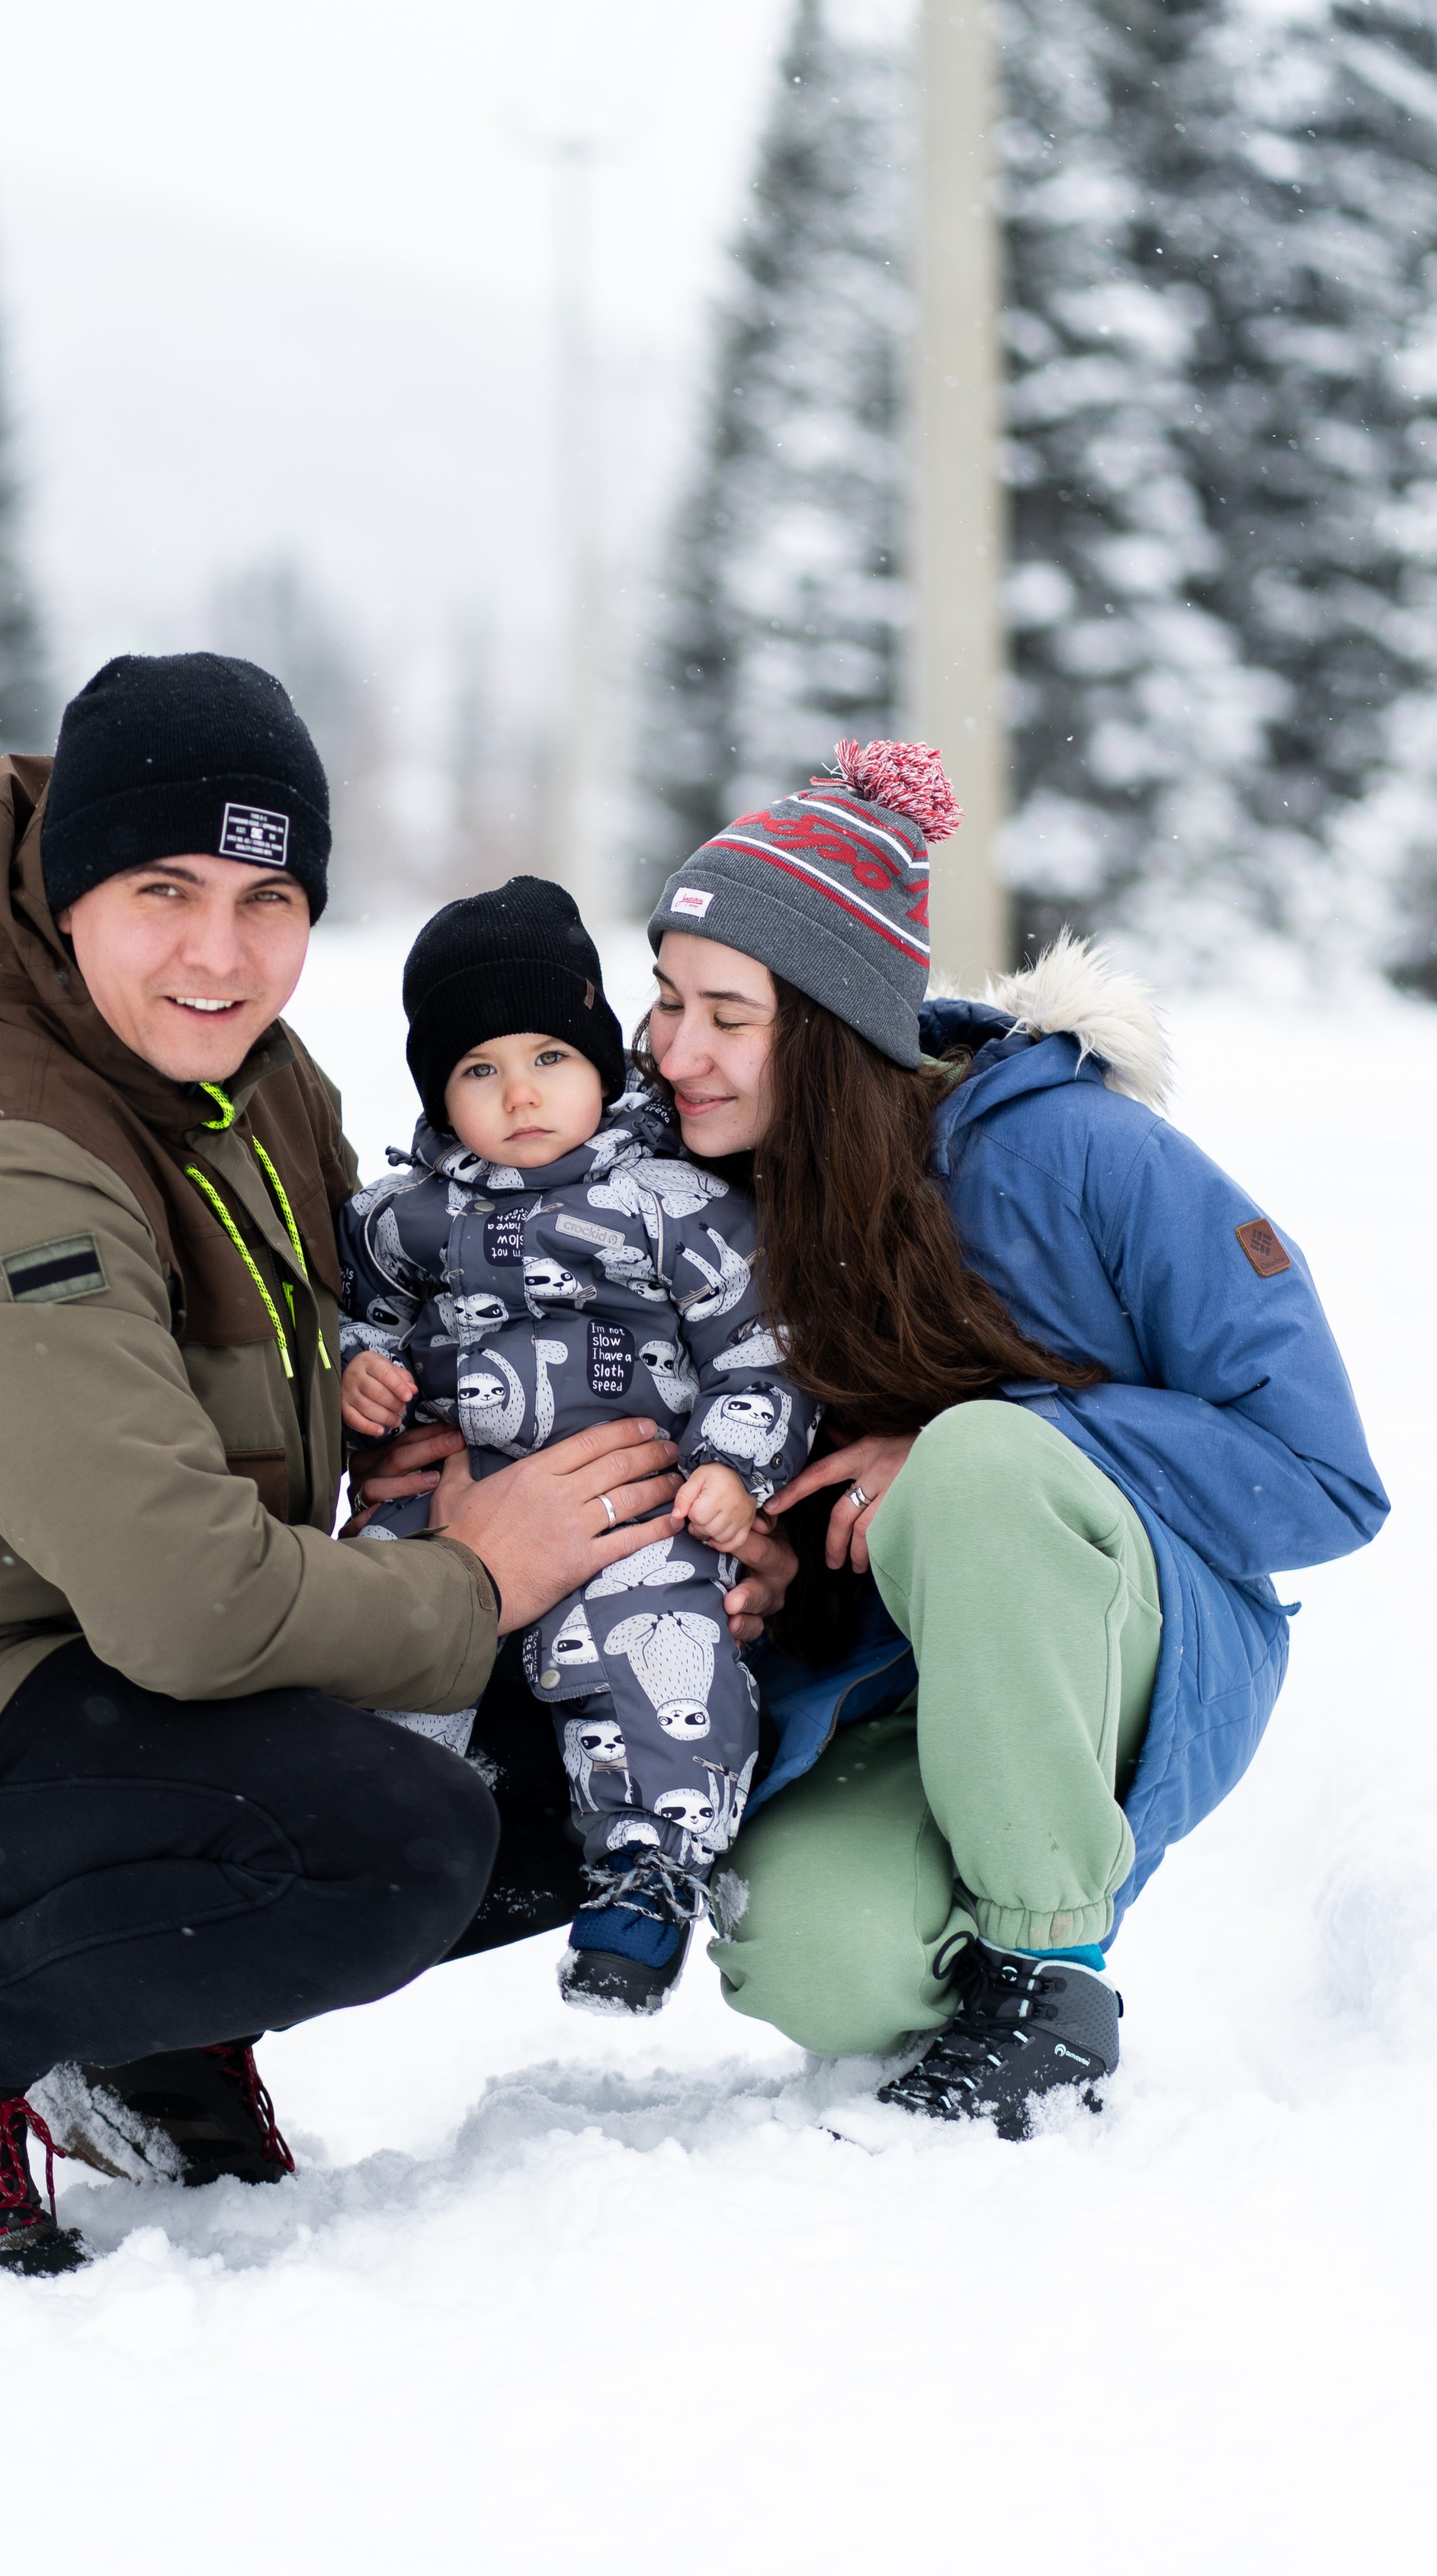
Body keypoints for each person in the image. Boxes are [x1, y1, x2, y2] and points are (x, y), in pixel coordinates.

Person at [0, 652, 709, 2273]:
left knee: (611, 1732)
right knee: (394, 1841)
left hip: (105, 1669)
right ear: (66, 896)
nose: (219, 950)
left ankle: (142, 2029)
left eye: (269, 898)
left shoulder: (241, 1080)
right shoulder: (3, 1154)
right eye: (162, 888)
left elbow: (417, 1289)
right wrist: (476, 1575)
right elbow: (184, 1603)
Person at [637, 738, 1387, 2137]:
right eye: (667, 1002)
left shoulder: (1081, 1151)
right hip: (904, 1669)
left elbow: (1326, 1483)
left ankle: (1050, 1974)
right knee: (815, 1958)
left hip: (1125, 1640)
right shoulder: (702, 1194)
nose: (680, 1051)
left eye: (729, 1016)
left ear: (834, 1022)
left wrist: (991, 1438)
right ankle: (970, 1934)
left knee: (976, 1465)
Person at [335, 875, 816, 2014]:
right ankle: (363, 1829)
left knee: (657, 1645)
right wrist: (354, 1376)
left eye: (550, 1056)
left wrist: (730, 1471)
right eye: (478, 1071)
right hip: (451, 1501)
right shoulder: (401, 1217)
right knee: (378, 1645)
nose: (520, 1095)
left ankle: (647, 1876)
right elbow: (353, 1317)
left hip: (630, 1498)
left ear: (603, 1060)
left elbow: (760, 1352)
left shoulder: (672, 1202)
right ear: (437, 1094)